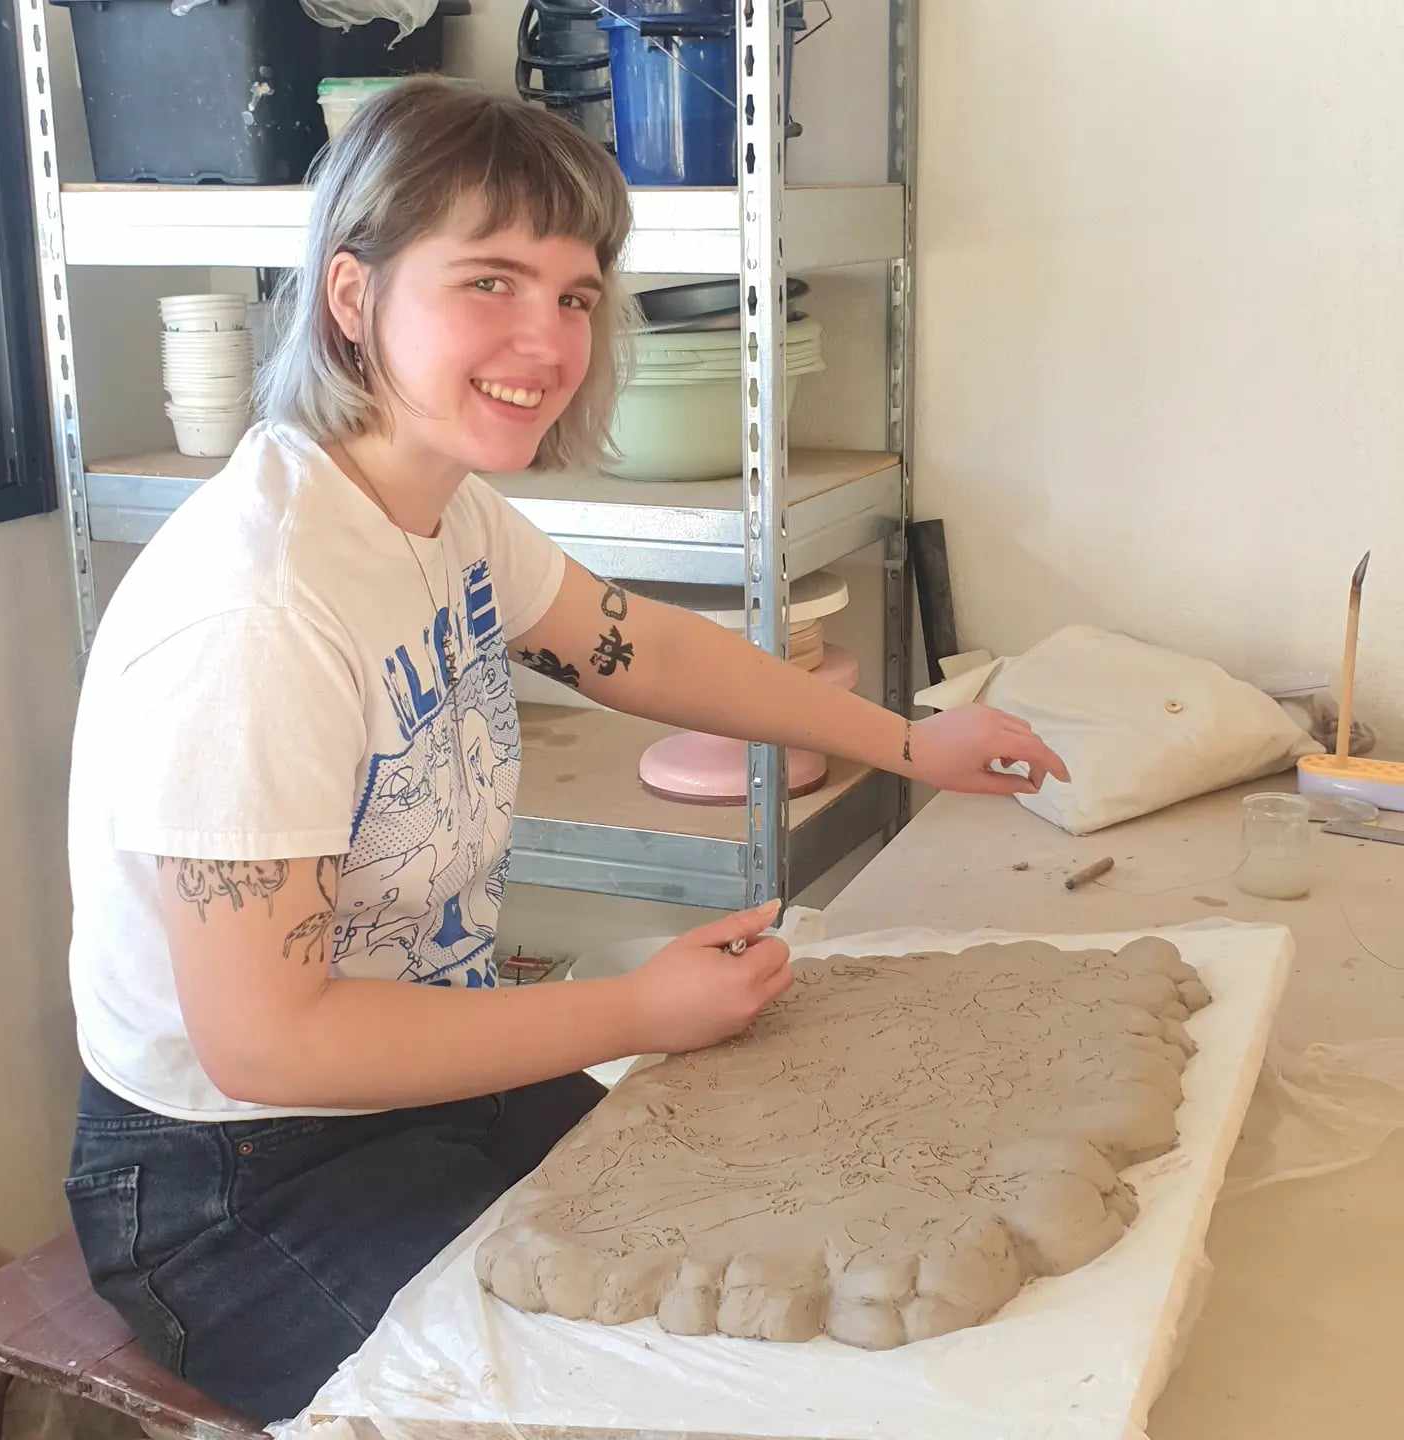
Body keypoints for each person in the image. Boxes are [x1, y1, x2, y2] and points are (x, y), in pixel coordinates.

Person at [64, 79, 1068, 1424]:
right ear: (352, 300)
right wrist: (637, 1014)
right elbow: (267, 1045)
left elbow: (632, 644)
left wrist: (907, 739)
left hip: (430, 1082)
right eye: (489, 281)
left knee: (759, 1229)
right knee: (642, 1393)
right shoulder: (254, 612)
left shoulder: (437, 509)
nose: (547, 339)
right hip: (229, 1182)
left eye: (576, 294)